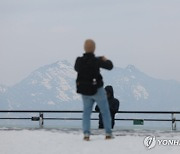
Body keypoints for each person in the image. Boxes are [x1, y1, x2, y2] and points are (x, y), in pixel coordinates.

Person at [74, 39, 114, 141]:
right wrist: (105, 60)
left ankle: (86, 134)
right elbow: (110, 66)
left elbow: (76, 68)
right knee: (105, 111)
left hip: (84, 91)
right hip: (97, 90)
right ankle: (108, 133)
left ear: (84, 48)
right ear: (94, 48)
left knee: (87, 112)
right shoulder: (97, 61)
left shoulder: (79, 61)